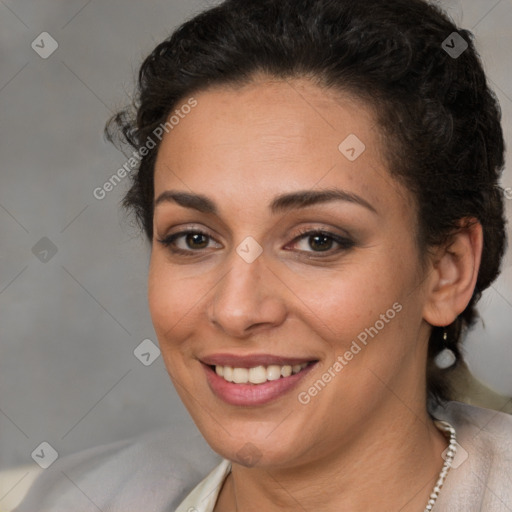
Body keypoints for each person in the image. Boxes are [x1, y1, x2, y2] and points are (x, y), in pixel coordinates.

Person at [15, 0, 512, 510]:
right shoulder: (74, 498)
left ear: (447, 271)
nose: (235, 310)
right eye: (194, 238)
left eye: (318, 240)